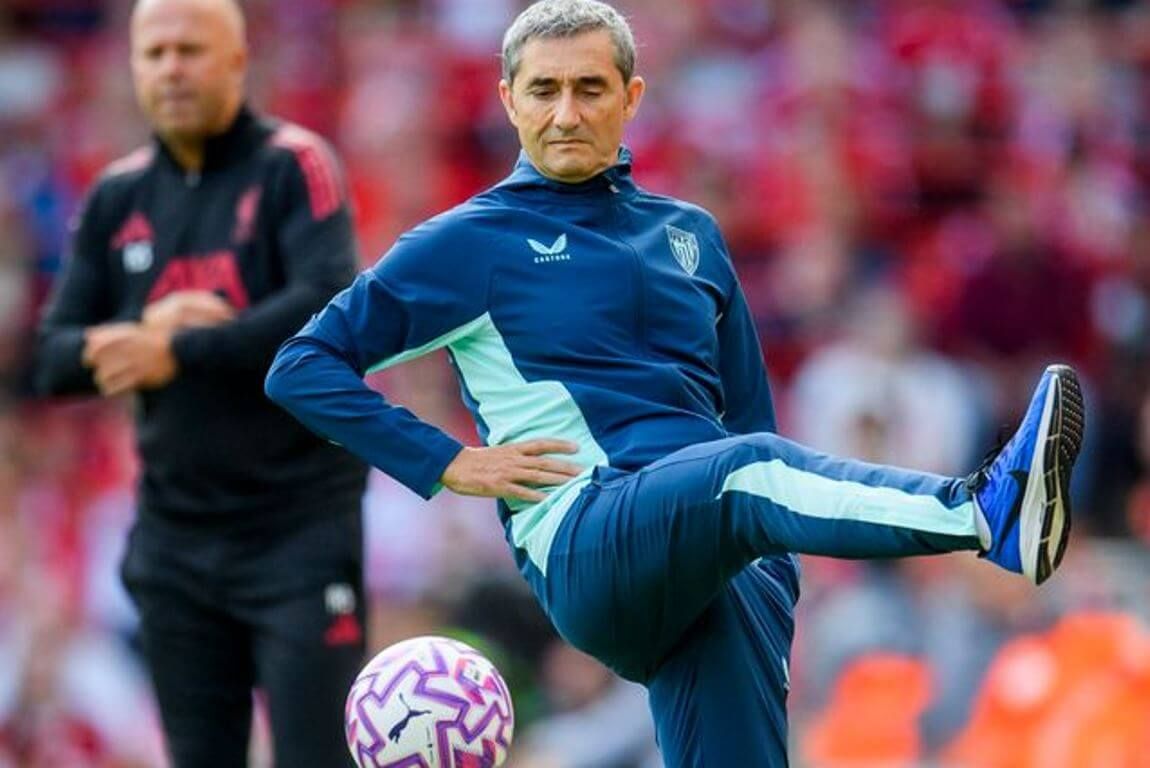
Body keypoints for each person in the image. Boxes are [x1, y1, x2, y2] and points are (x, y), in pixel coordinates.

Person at [264, 0, 1086, 764]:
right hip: (589, 534)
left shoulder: (691, 236)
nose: (565, 111)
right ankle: (986, 513)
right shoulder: (467, 242)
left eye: (590, 88)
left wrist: (773, 579)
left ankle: (904, 534)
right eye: (543, 90)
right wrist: (447, 462)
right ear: (508, 100)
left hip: (721, 557)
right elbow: (301, 366)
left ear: (631, 97)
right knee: (746, 469)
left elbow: (745, 410)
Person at [35, 0, 368, 765]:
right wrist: (144, 337)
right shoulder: (117, 197)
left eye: (191, 50)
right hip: (177, 543)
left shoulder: (294, 164)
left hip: (298, 532)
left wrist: (179, 351)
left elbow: (327, 306)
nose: (172, 69)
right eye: (154, 54)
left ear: (237, 60)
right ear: (133, 68)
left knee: (316, 757)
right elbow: (50, 358)